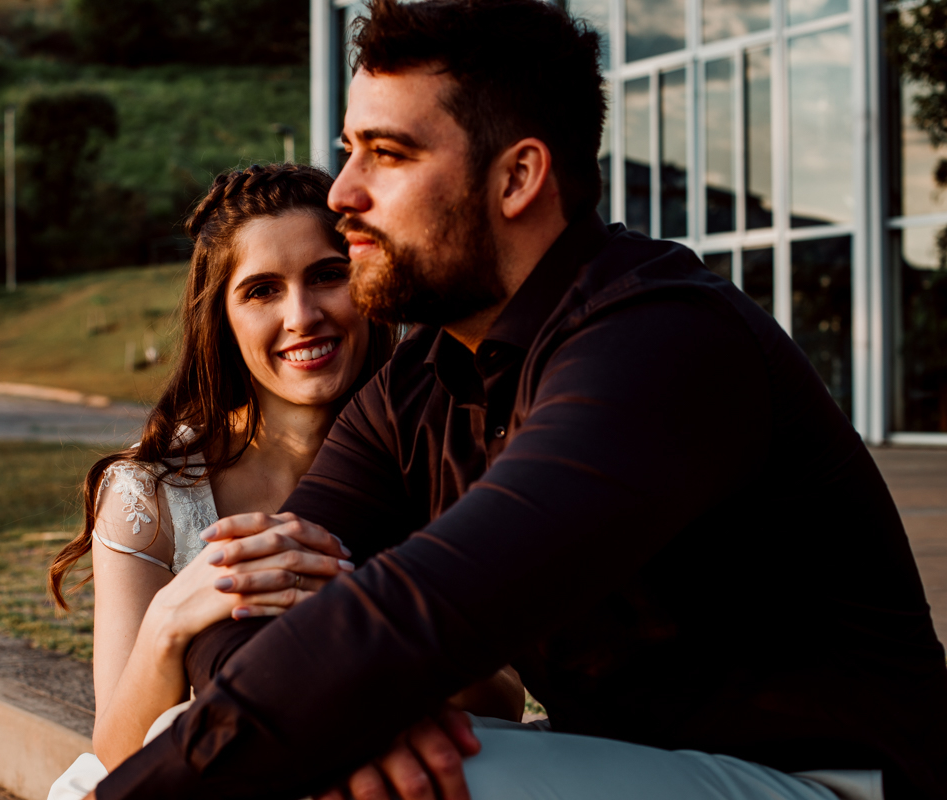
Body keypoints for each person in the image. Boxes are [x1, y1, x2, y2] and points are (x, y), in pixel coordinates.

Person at [91, 2, 947, 800]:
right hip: (637, 765)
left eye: (386, 155)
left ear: (517, 179)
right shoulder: (419, 382)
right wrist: (341, 708)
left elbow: (418, 617)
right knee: (300, 739)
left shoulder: (656, 347)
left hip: (825, 782)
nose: (344, 194)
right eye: (350, 150)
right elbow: (251, 594)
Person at [46, 163, 522, 800]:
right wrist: (169, 623)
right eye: (262, 290)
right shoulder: (150, 492)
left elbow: (505, 702)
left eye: (328, 276)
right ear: (224, 317)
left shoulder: (437, 459)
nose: (303, 316)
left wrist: (373, 619)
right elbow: (117, 750)